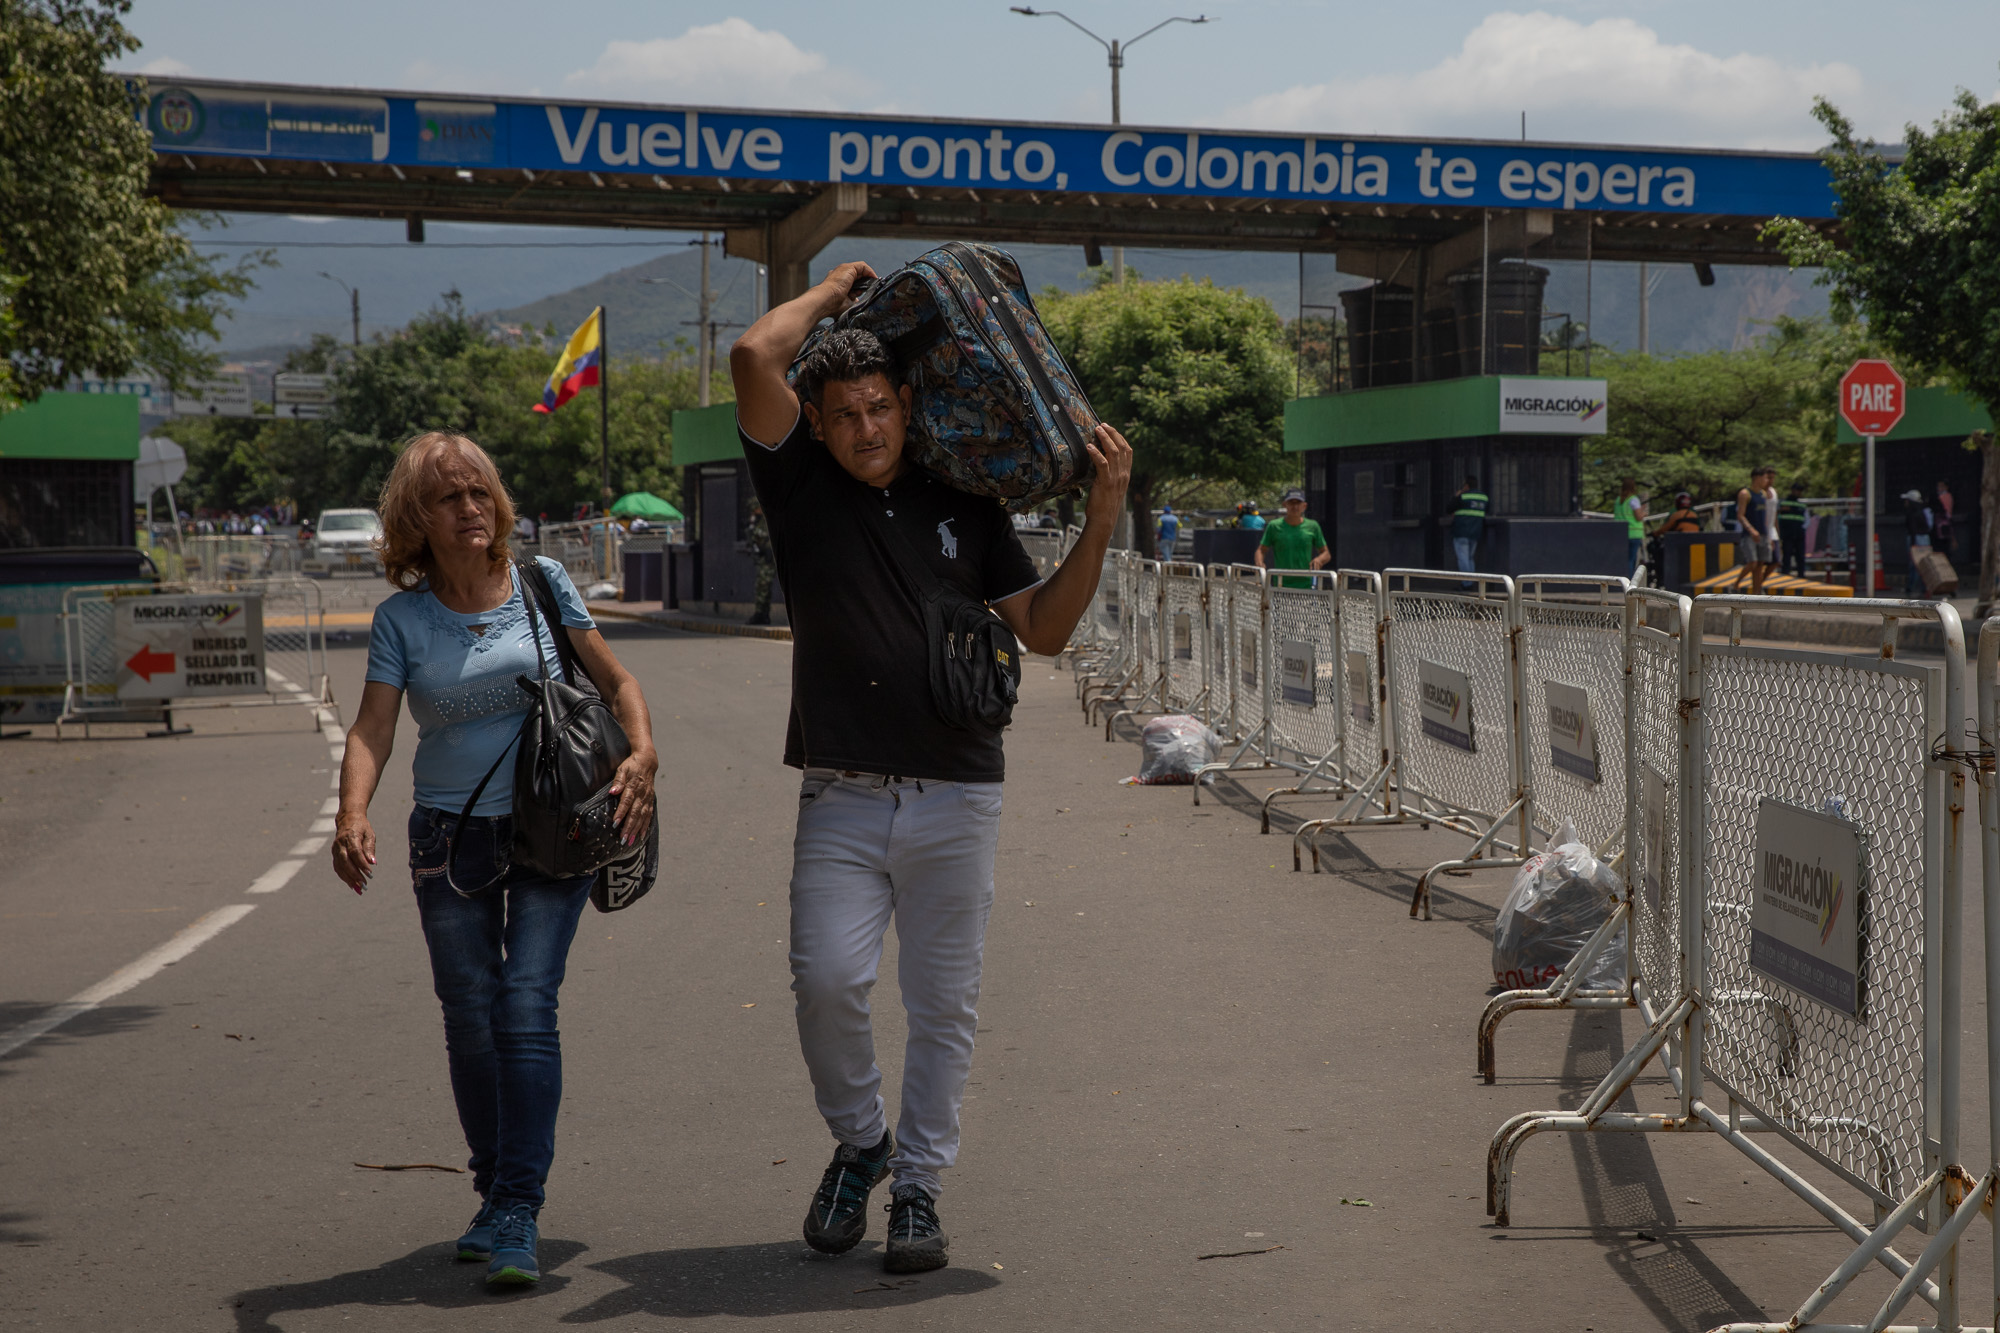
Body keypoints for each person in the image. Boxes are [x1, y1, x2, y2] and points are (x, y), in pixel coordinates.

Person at [730, 260, 1132, 1275]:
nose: (864, 428)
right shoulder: (799, 487)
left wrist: (1101, 516)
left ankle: (917, 1186)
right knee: (825, 981)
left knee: (943, 1003)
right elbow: (750, 354)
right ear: (814, 424)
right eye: (843, 413)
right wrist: (830, 293)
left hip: (958, 790)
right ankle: (862, 1140)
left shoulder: (964, 501)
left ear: (905, 404)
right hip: (842, 792)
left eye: (878, 407)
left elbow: (1040, 630)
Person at [330, 431, 658, 1289]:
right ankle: (491, 1191)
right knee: (469, 1013)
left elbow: (617, 683)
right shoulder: (402, 619)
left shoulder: (544, 584)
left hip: (552, 829)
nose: (470, 508)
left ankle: (518, 1204)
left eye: (480, 491)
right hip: (447, 836)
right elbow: (373, 728)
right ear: (416, 517)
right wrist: (351, 809)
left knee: (522, 1003)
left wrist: (643, 752)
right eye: (449, 497)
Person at [1255, 487, 1330, 588]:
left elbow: (1326, 553)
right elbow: (1261, 550)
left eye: (1298, 503)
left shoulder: (1313, 526)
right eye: (1291, 503)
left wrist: (1319, 560)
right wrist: (1259, 564)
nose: (1295, 507)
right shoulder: (1274, 526)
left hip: (1306, 586)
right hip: (1280, 586)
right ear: (1285, 504)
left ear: (1304, 506)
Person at [1734, 465, 1778, 595]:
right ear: (1757, 478)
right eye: (1765, 477)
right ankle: (1736, 583)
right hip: (1749, 535)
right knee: (1752, 562)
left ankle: (1756, 593)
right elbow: (1740, 515)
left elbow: (1765, 517)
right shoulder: (1745, 493)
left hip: (1763, 533)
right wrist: (1751, 530)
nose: (1767, 480)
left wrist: (1769, 536)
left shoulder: (1763, 494)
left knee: (1760, 565)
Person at [746, 498, 776, 625]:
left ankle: (761, 614)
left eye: (756, 509)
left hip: (769, 559)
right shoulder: (756, 521)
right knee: (762, 587)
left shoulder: (766, 520)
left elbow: (764, 538)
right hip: (763, 558)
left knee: (763, 586)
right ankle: (762, 614)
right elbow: (753, 538)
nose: (755, 512)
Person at [1449, 475, 1488, 574]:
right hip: (1475, 532)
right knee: (1470, 558)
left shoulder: (1463, 496)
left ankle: (1466, 583)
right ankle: (1471, 581)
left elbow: (1449, 508)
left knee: (1463, 558)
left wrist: (1456, 496)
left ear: (1466, 486)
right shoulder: (1483, 498)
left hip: (1461, 531)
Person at [1902, 488, 1935, 597]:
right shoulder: (1923, 511)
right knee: (1925, 564)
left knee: (1915, 565)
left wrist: (1913, 544)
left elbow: (1912, 529)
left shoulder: (1911, 513)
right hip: (1925, 539)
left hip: (1916, 539)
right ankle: (1925, 587)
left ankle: (1910, 587)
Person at [1616, 479, 1647, 578]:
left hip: (1621, 533)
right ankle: (1629, 581)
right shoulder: (1633, 499)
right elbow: (1638, 517)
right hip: (1634, 534)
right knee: (1631, 560)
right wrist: (1643, 513)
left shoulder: (1618, 500)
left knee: (1623, 560)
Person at [1777, 483, 1809, 578]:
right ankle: (1785, 575)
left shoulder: (1802, 506)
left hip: (1799, 535)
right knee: (1786, 556)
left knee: (1800, 557)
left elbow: (1807, 520)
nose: (1798, 492)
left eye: (1799, 491)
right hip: (1787, 534)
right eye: (1796, 490)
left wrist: (1802, 529)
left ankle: (1801, 576)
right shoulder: (1783, 504)